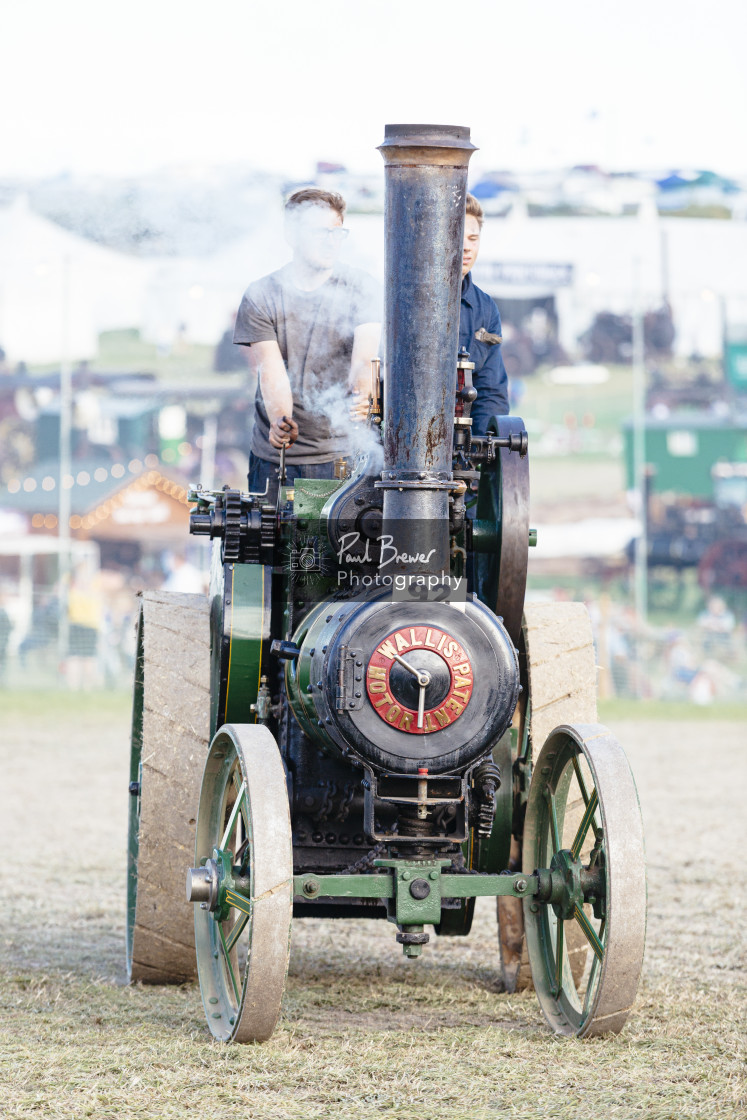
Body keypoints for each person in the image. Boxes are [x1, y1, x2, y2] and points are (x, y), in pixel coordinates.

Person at [234, 188, 382, 502]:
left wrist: (361, 395)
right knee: (274, 549)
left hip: (340, 456)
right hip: (274, 460)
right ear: (292, 233)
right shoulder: (261, 295)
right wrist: (280, 421)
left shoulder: (362, 287)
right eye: (320, 232)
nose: (331, 241)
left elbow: (365, 359)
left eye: (337, 232)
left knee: (327, 549)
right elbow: (271, 369)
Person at [460, 194, 509, 434]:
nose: (467, 247)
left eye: (473, 238)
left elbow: (490, 389)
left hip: (461, 448)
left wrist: (477, 450)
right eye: (458, 236)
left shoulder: (487, 310)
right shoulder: (400, 300)